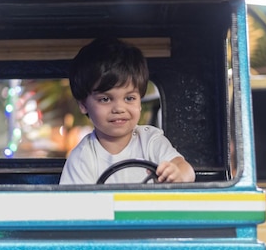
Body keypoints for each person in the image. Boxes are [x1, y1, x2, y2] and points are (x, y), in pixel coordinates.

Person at [59, 37, 195, 184]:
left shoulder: (150, 141)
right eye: (105, 99)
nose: (119, 109)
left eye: (129, 98)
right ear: (83, 105)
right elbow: (77, 204)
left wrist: (177, 173)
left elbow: (185, 169)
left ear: (140, 101)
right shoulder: (82, 157)